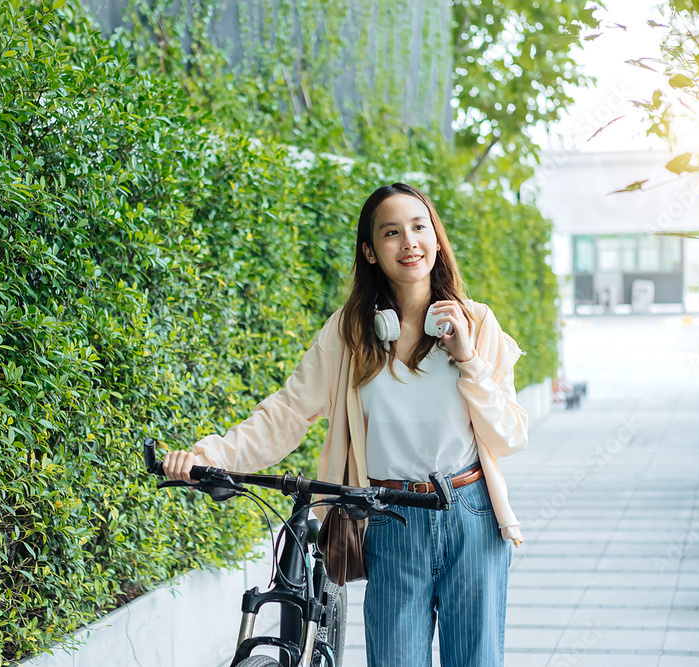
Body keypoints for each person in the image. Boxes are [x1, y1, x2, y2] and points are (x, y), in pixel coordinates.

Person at [164, 182, 528, 667]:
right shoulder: (350, 332)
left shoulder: (477, 324)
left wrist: (468, 359)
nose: (410, 242)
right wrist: (207, 457)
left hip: (471, 514)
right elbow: (288, 411)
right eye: (392, 233)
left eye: (420, 227)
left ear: (437, 240)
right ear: (371, 251)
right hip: (389, 519)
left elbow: (510, 434)